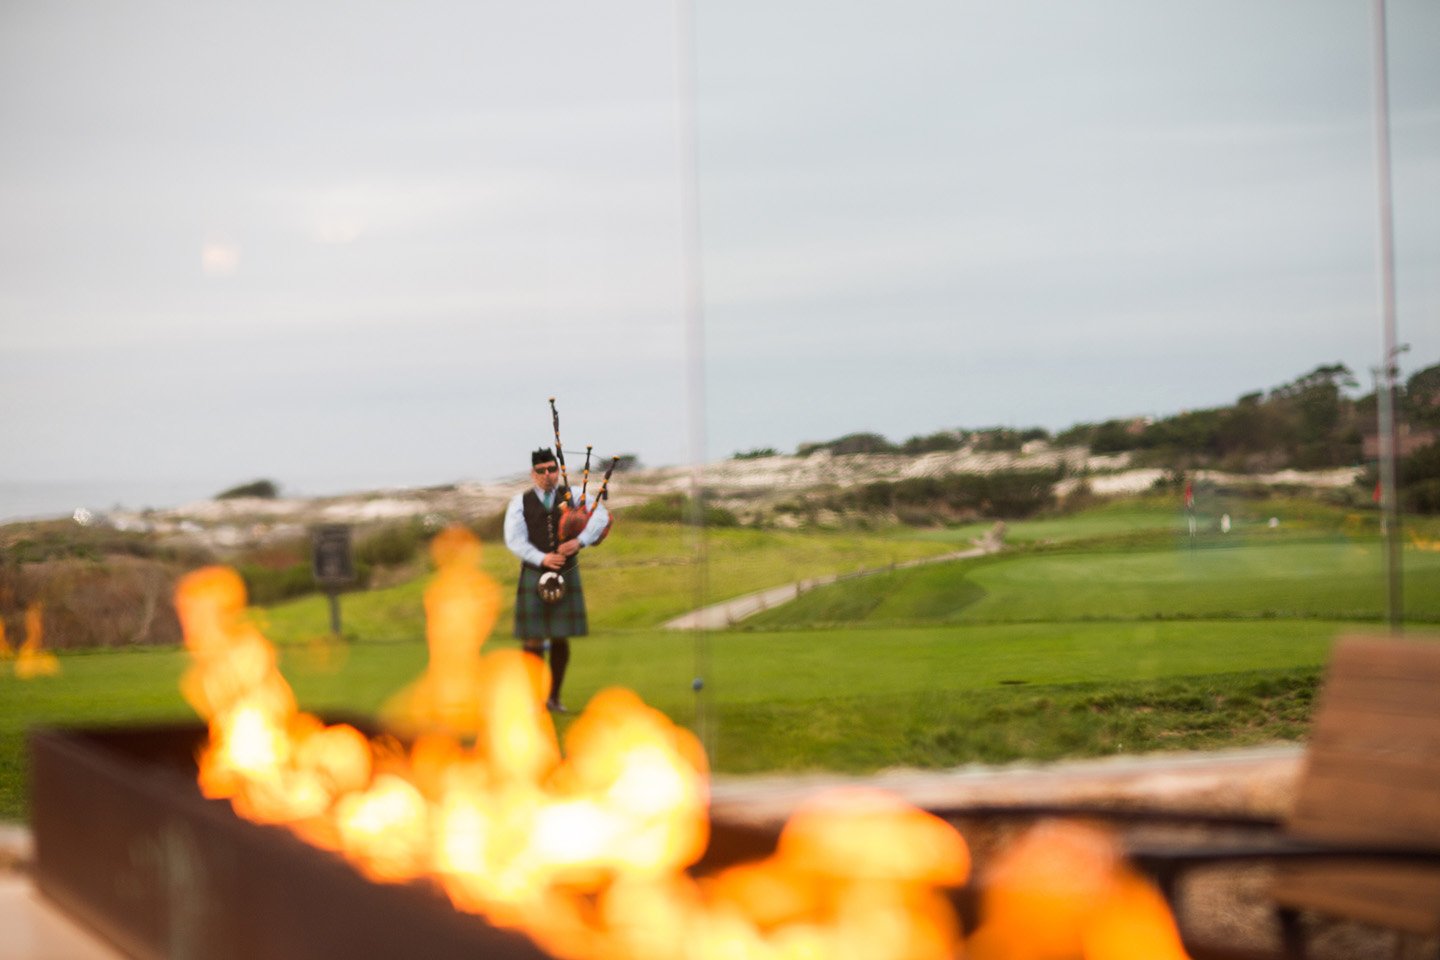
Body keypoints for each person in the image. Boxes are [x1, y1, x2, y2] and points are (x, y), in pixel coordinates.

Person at [503, 447, 610, 712]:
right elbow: (514, 539)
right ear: (533, 473)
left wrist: (579, 541)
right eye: (541, 471)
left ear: (557, 470)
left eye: (552, 469)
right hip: (534, 572)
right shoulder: (520, 502)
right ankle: (533, 700)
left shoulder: (574, 495)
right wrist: (542, 558)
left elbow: (601, 515)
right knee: (532, 639)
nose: (548, 475)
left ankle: (554, 698)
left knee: (561, 637)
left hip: (566, 573)